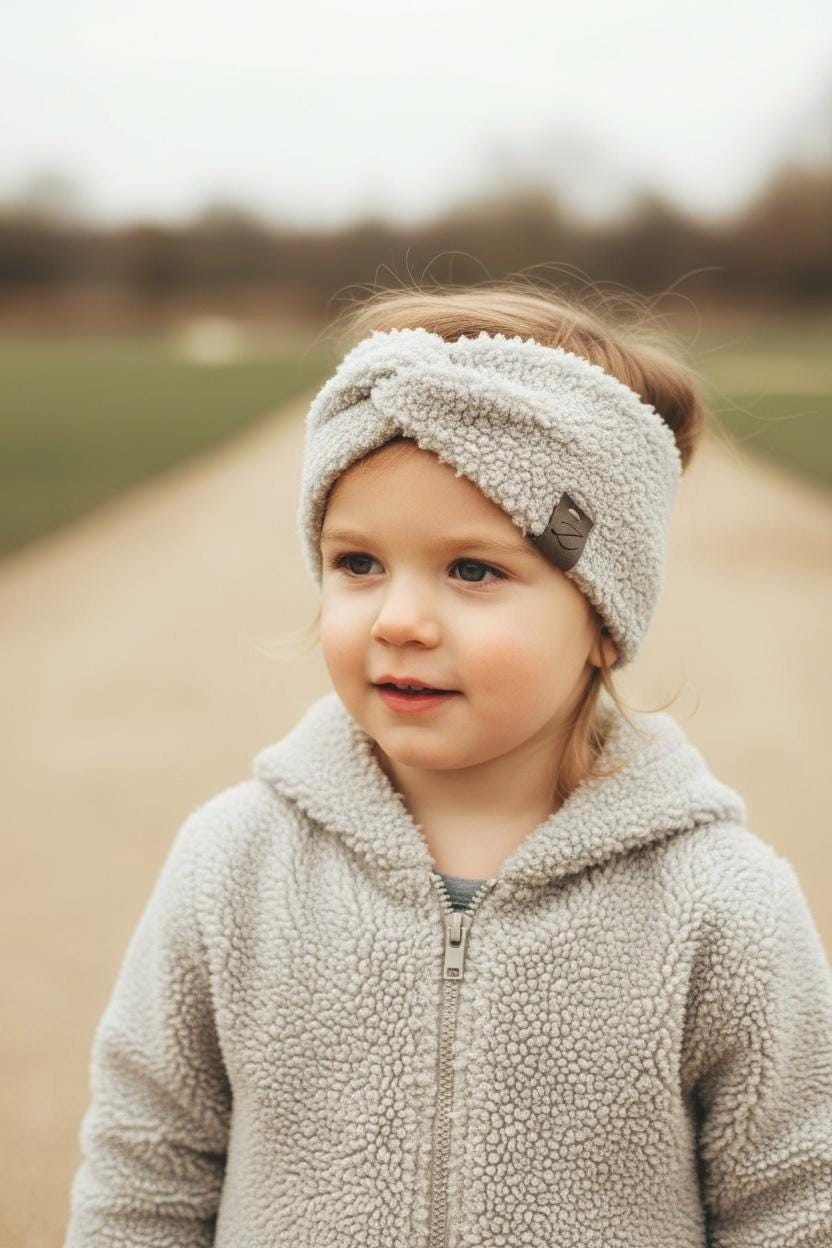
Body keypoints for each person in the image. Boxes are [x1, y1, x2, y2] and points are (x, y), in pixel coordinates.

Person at [63, 284, 832, 1247]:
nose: (398, 620)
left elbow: (796, 1203)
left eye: (474, 570)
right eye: (357, 564)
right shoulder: (235, 863)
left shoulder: (718, 902)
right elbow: (148, 1171)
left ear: (603, 619)